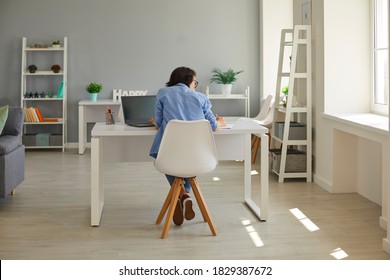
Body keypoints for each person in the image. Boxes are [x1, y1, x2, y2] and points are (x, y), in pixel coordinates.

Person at [149, 66, 225, 226]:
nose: (195, 85)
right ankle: (185, 195)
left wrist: (156, 122)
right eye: (195, 82)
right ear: (189, 80)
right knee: (188, 163)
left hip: (170, 154)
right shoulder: (201, 98)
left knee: (166, 158)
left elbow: (157, 123)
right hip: (198, 156)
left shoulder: (163, 93)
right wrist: (220, 122)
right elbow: (213, 125)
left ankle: (181, 195)